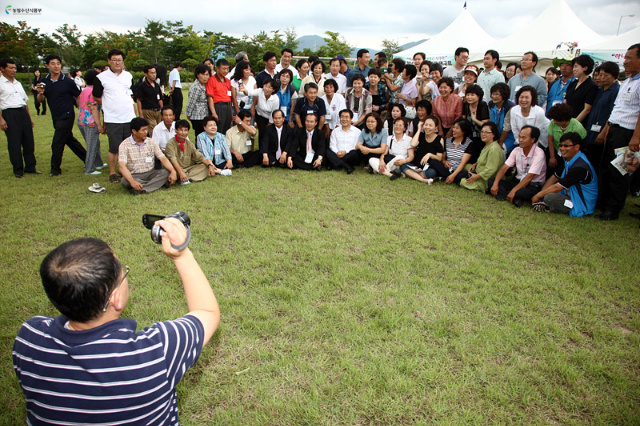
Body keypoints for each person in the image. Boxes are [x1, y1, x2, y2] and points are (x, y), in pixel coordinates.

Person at [13, 221, 220, 424]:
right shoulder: (154, 352)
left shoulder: (28, 338)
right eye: (123, 271)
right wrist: (182, 255)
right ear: (115, 299)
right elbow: (207, 312)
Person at [595, 43, 640, 221]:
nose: (625, 61)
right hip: (614, 129)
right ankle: (604, 203)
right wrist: (607, 130)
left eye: (629, 57)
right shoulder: (628, 81)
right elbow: (617, 109)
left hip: (629, 134)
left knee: (621, 171)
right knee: (606, 167)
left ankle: (613, 210)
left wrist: (636, 137)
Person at [37, 54, 87, 177]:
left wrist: (80, 110)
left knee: (57, 142)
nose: (56, 66)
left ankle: (55, 169)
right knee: (69, 140)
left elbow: (78, 95)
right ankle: (89, 159)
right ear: (47, 65)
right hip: (55, 116)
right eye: (53, 63)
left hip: (67, 115)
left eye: (58, 64)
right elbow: (40, 100)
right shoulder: (43, 81)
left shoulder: (68, 81)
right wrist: (41, 93)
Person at [93, 49, 136, 183]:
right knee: (114, 147)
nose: (117, 62)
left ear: (123, 61)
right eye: (114, 60)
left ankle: (125, 170)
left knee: (129, 146)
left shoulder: (128, 76)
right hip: (113, 119)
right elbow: (96, 96)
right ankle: (112, 172)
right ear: (109, 61)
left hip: (129, 117)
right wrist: (108, 104)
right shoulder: (101, 78)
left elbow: (131, 94)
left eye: (120, 60)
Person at [531, 132, 597, 216]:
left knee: (550, 198)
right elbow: (554, 177)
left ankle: (547, 205)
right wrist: (541, 195)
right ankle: (544, 204)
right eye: (561, 145)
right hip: (568, 197)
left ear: (577, 147)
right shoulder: (570, 161)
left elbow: (557, 187)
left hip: (580, 204)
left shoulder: (580, 167)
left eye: (566, 146)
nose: (562, 148)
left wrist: (537, 196)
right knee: (546, 190)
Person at [0, 57, 39, 178]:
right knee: (14, 142)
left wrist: (29, 118)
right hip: (10, 113)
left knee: (28, 141)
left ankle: (30, 167)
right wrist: (1, 120)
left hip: (23, 112)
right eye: (10, 68)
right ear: (2, 68)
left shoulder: (18, 83)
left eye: (15, 68)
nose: (13, 70)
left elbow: (24, 101)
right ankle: (18, 169)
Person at [489, 125, 547, 207]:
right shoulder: (517, 150)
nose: (520, 140)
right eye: (519, 137)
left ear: (533, 139)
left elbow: (530, 177)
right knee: (492, 181)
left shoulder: (539, 153)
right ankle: (514, 198)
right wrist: (495, 184)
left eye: (524, 138)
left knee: (521, 193)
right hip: (517, 181)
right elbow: (504, 168)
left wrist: (514, 190)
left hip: (532, 185)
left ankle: (507, 195)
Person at [118, 117, 177, 194]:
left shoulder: (151, 142)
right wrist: (132, 181)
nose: (146, 132)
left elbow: (163, 158)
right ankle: (155, 184)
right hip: (134, 175)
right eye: (143, 130)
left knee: (167, 172)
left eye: (146, 129)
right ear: (134, 131)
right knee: (125, 181)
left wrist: (173, 171)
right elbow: (122, 166)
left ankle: (141, 189)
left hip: (151, 173)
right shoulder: (124, 145)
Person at [584, 61, 620, 169]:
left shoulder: (616, 91)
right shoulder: (599, 90)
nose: (602, 77)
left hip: (602, 132)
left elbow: (613, 114)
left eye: (606, 75)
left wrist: (604, 133)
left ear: (614, 76)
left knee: (597, 162)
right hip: (591, 130)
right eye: (600, 74)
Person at [500, 86, 549, 154]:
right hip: (523, 141)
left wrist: (530, 148)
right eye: (521, 97)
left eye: (527, 97)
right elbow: (515, 129)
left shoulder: (539, 112)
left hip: (540, 141)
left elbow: (537, 133)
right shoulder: (514, 110)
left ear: (532, 98)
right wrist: (521, 142)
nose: (523, 100)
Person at [425, 118, 473, 182]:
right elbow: (443, 157)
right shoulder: (448, 140)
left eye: (457, 128)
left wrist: (453, 175)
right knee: (433, 161)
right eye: (454, 127)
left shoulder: (469, 143)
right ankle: (448, 176)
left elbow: (463, 163)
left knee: (464, 174)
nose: (454, 130)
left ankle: (443, 177)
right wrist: (444, 162)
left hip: (458, 170)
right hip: (447, 169)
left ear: (464, 131)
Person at [460, 121, 505, 191]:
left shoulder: (494, 149)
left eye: (487, 132)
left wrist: (476, 177)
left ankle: (480, 185)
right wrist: (475, 164)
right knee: (466, 166)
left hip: (487, 179)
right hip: (480, 171)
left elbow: (491, 169)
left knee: (462, 182)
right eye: (482, 132)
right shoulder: (488, 145)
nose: (483, 134)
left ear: (493, 134)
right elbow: (483, 159)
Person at [77, 70, 105, 175]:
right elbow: (94, 108)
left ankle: (99, 163)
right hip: (90, 122)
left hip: (81, 121)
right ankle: (89, 169)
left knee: (95, 143)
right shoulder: (94, 91)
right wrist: (99, 125)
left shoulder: (85, 90)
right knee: (92, 145)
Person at [547, 103, 587, 172]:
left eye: (556, 119)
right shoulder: (552, 123)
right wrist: (552, 157)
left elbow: (579, 147)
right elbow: (551, 140)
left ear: (563, 120)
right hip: (558, 152)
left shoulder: (577, 128)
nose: (554, 121)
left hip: (571, 155)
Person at [403, 116, 444, 184]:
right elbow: (413, 144)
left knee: (432, 173)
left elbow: (439, 158)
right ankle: (422, 179)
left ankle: (411, 175)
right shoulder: (421, 135)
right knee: (403, 165)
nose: (427, 127)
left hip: (428, 167)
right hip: (416, 166)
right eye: (426, 124)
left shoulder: (439, 139)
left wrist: (429, 155)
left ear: (436, 127)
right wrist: (419, 129)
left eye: (430, 125)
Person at [245, 77, 280, 150]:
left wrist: (269, 124)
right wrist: (243, 90)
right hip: (260, 116)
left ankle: (268, 151)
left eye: (270, 87)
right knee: (262, 134)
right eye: (266, 86)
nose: (266, 89)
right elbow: (249, 92)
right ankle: (261, 152)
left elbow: (273, 113)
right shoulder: (260, 91)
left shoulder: (275, 99)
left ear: (273, 90)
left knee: (269, 135)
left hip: (270, 119)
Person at [325, 109, 361, 173]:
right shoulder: (335, 131)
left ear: (351, 118)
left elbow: (356, 146)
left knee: (354, 153)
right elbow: (332, 145)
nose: (344, 119)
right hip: (337, 154)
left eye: (347, 117)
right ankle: (346, 166)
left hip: (349, 154)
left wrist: (345, 152)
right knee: (327, 151)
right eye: (342, 117)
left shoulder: (357, 131)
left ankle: (335, 163)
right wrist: (337, 152)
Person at [565, 54, 598, 124]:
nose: (573, 69)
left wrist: (574, 123)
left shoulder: (591, 86)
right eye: (573, 67)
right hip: (566, 120)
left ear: (585, 68)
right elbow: (565, 102)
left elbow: (587, 109)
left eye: (576, 66)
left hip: (580, 123)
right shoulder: (572, 84)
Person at [206, 59, 233, 135]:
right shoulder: (211, 80)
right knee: (218, 129)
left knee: (227, 129)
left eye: (227, 68)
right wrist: (214, 113)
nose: (226, 71)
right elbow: (210, 98)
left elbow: (229, 98)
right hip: (218, 107)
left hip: (227, 107)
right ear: (217, 68)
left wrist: (230, 112)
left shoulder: (227, 81)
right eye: (224, 68)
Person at [488, 82, 515, 151]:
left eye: (497, 94)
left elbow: (507, 128)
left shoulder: (509, 107)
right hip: (496, 135)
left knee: (499, 150)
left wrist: (500, 142)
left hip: (509, 137)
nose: (494, 96)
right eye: (493, 94)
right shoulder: (491, 104)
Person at [186, 64, 211, 138]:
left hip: (205, 115)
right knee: (200, 136)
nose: (205, 77)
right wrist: (188, 114)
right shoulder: (196, 87)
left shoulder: (205, 85)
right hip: (197, 116)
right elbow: (191, 102)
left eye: (207, 74)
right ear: (197, 75)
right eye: (203, 74)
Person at [135, 64, 163, 129]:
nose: (154, 75)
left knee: (159, 129)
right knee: (152, 129)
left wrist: (163, 110)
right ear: (146, 74)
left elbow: (160, 99)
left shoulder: (156, 85)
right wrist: (140, 114)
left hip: (157, 111)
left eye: (155, 73)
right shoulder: (142, 86)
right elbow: (139, 100)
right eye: (151, 73)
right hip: (148, 111)